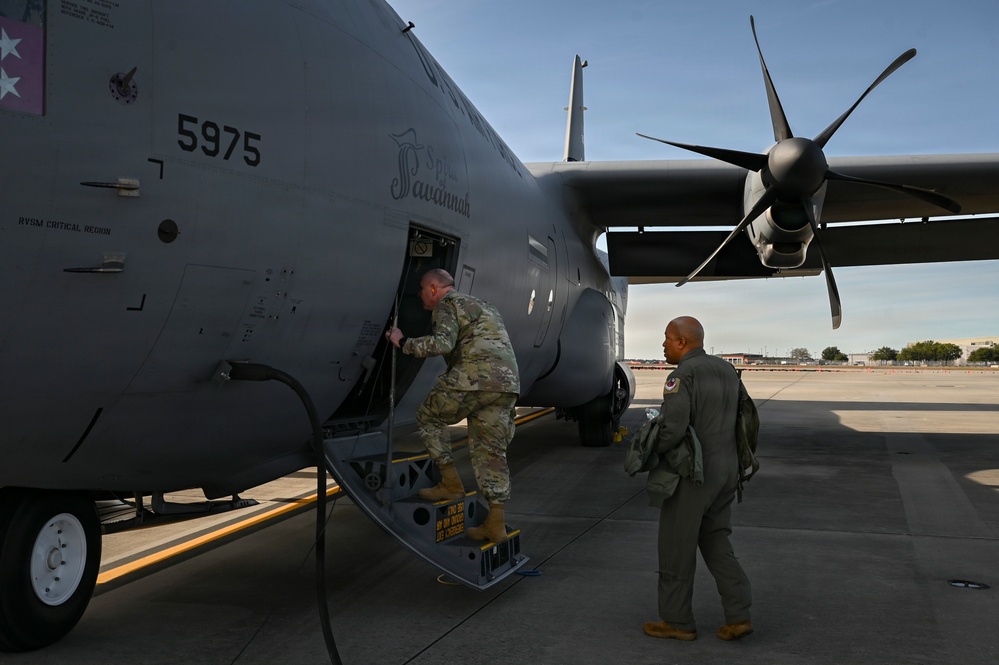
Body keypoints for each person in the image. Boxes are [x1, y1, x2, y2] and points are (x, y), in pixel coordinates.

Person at [385, 269, 520, 543]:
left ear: (434, 288)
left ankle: (450, 483)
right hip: (506, 384)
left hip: (475, 377)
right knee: (491, 451)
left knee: (428, 416)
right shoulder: (484, 305)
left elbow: (442, 344)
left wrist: (403, 342)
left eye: (423, 289)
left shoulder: (447, 304)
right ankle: (496, 524)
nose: (420, 295)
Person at [642, 316, 754, 642]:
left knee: (675, 546)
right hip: (727, 471)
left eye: (667, 338)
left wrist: (648, 449)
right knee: (716, 540)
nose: (663, 345)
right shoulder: (727, 370)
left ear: (681, 342)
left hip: (694, 473)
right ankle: (739, 614)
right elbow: (745, 417)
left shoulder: (681, 375)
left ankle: (677, 621)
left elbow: (673, 428)